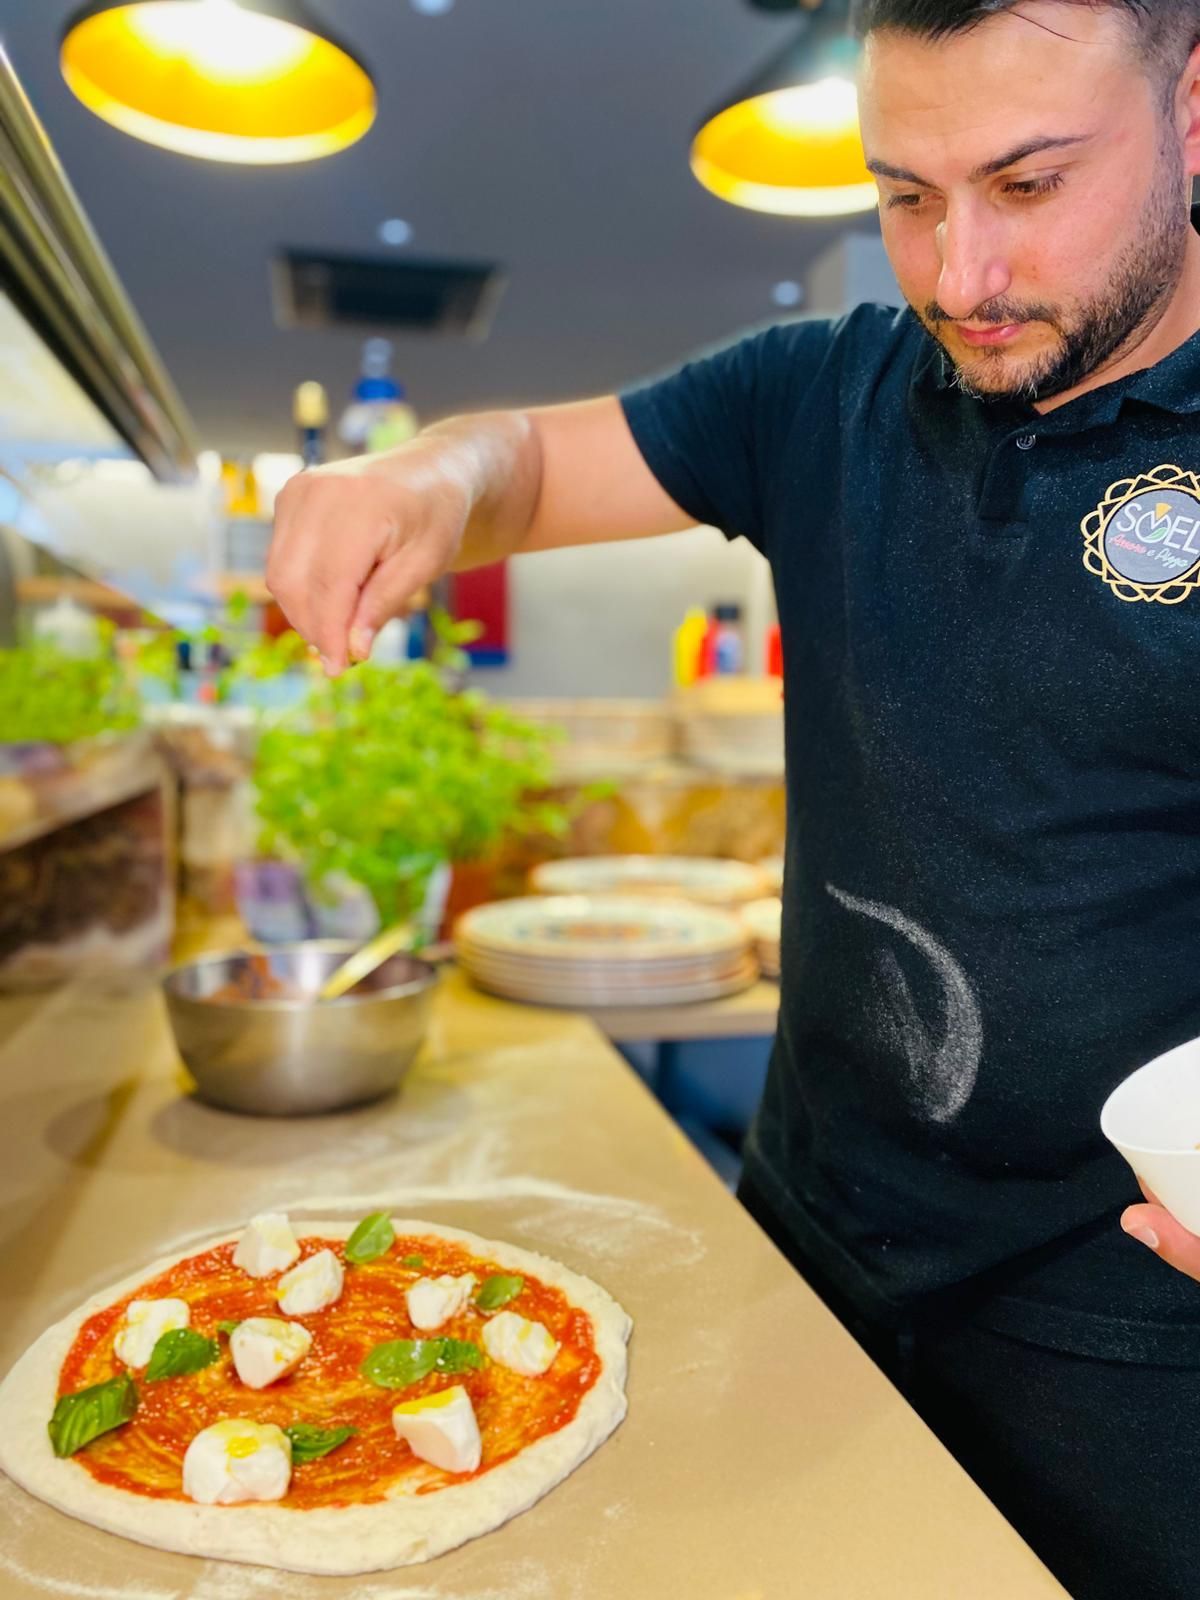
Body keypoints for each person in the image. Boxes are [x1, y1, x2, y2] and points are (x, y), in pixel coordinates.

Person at [267, 3, 1200, 1594]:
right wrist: (425, 477)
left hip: (1120, 1321)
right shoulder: (821, 395)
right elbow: (534, 462)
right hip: (803, 1228)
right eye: (903, 196)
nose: (956, 276)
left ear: (1194, 101)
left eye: (1029, 186)